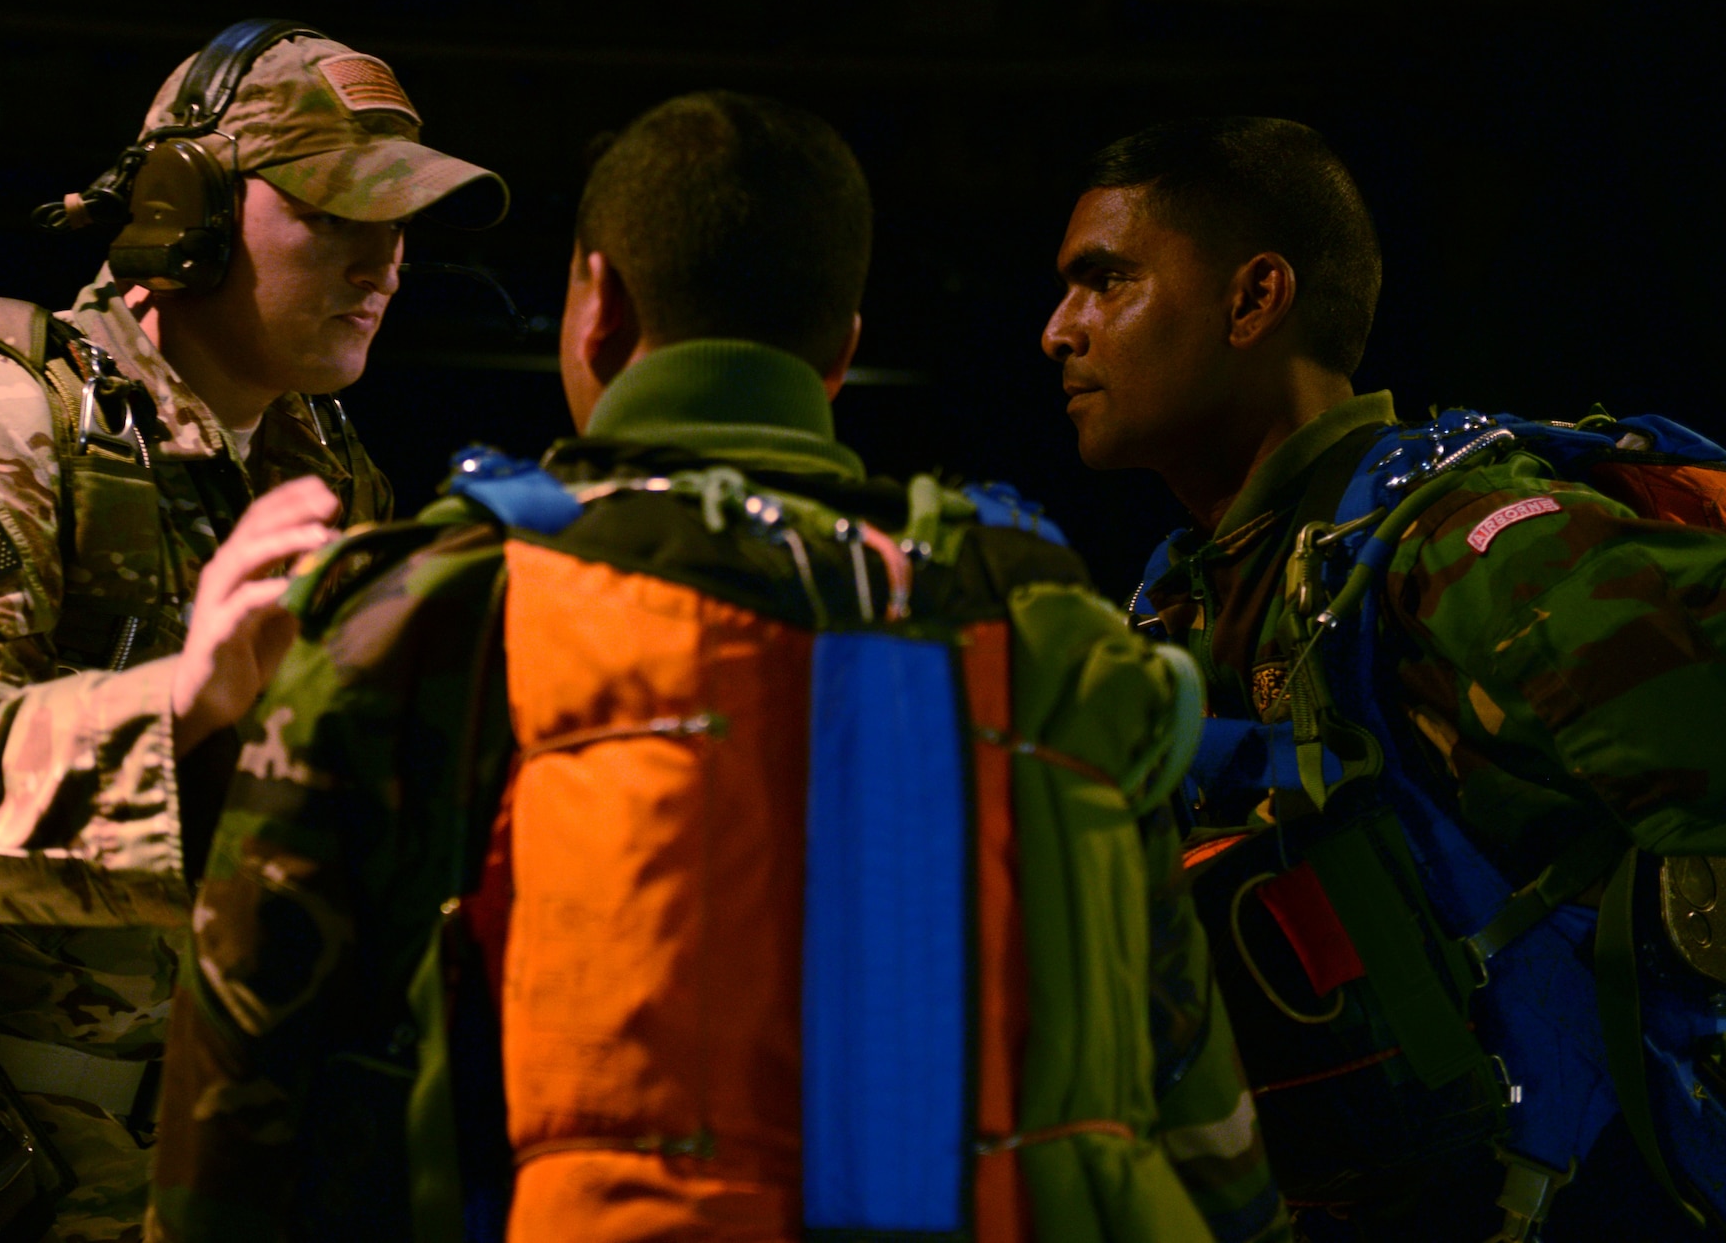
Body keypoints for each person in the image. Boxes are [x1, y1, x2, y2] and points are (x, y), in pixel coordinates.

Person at [146, 90, 1288, 1243]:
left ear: (597, 308)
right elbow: (1194, 1109)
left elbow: (241, 1083)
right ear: (841, 350)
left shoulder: (429, 613)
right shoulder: (1049, 626)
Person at [0, 20, 507, 1243]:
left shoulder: (325, 480)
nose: (383, 262)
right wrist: (180, 706)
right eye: (333, 214)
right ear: (180, 206)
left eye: (395, 222)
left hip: (183, 1164)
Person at [1042, 115, 1726, 1239]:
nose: (1057, 330)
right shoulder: (1184, 605)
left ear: (1252, 299)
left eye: (1103, 282)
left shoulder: (1469, 549)